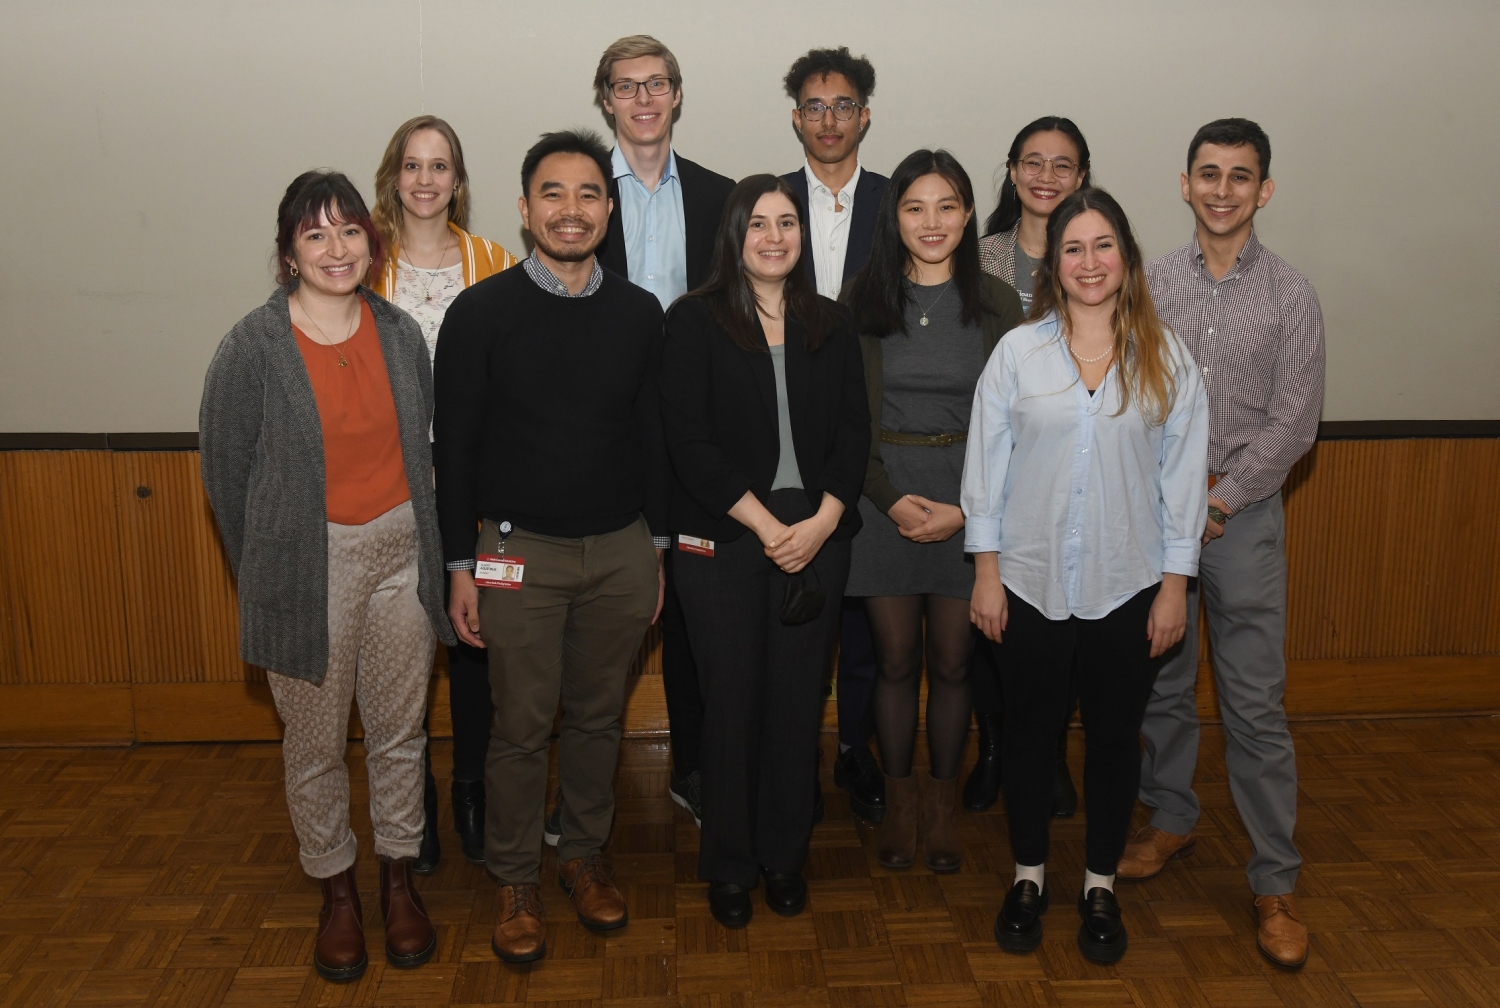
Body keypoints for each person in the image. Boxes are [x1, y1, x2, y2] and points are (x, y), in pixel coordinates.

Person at [200, 170, 453, 981]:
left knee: (398, 731)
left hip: (402, 555)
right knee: (313, 744)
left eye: (348, 230)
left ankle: (397, 880)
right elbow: (227, 475)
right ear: (288, 254)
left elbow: (424, 447)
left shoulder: (400, 333)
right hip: (310, 566)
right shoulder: (251, 348)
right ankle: (336, 890)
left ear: (370, 243)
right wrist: (270, 574)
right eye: (315, 234)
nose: (336, 248)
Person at [434, 130, 668, 964]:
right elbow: (452, 450)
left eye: (588, 194)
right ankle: (514, 879)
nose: (572, 210)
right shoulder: (481, 313)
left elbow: (655, 438)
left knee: (601, 718)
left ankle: (583, 857)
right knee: (522, 726)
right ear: (526, 207)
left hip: (619, 552)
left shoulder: (641, 314)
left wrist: (660, 550)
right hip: (514, 555)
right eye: (554, 194)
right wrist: (459, 567)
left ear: (608, 209)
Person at [963, 188, 1207, 964]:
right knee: (1030, 738)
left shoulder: (1167, 358)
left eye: (1104, 246)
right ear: (1054, 264)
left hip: (1127, 587)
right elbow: (986, 474)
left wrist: (1175, 587)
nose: (1089, 262)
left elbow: (1183, 484)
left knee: (1111, 742)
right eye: (1073, 248)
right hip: (1028, 583)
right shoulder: (1017, 355)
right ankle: (1028, 874)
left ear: (1127, 260)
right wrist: (987, 575)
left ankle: (1099, 883)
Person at [1122, 118, 1324, 969]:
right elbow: (1126, 394)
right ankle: (1170, 819)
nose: (1222, 189)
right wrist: (1170, 504)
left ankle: (1274, 883)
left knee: (1253, 706)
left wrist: (1220, 500)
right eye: (1209, 173)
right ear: (1185, 182)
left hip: (1240, 525)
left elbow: (1295, 424)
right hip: (1154, 522)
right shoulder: (1149, 284)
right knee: (1162, 687)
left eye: (1240, 177)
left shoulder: (1291, 294)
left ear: (1263, 191)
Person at [660, 174, 869, 928]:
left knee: (795, 704)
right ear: (733, 236)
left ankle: (785, 856)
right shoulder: (693, 321)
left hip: (817, 535)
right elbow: (688, 440)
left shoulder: (832, 323)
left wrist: (821, 522)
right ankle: (729, 863)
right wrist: (763, 523)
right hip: (723, 537)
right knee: (731, 705)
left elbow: (853, 434)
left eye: (787, 222)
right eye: (758, 224)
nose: (774, 236)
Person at [840, 150, 1023, 873]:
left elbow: (1017, 422)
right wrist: (886, 498)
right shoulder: (861, 299)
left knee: (953, 664)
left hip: (968, 497)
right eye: (915, 207)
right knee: (893, 661)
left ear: (970, 214)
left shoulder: (999, 305)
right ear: (896, 219)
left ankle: (942, 809)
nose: (932, 222)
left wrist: (968, 512)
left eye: (947, 206)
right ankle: (900, 802)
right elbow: (847, 419)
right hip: (881, 492)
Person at [583, 34, 735, 829]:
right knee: (604, 608)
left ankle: (698, 765)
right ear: (605, 100)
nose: (643, 99)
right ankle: (584, 788)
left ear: (677, 96)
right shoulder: (578, 195)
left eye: (657, 84)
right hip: (598, 430)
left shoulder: (721, 197)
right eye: (625, 86)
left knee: (692, 609)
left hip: (695, 432)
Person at [369, 114, 520, 872]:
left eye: (440, 167)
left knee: (472, 644)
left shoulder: (495, 261)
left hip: (479, 487)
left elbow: (515, 378)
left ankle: (471, 790)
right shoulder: (363, 266)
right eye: (413, 165)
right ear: (393, 176)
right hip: (390, 486)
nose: (425, 180)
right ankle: (414, 802)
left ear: (458, 181)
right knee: (401, 652)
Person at [966, 116, 1094, 816]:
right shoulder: (977, 257)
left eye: (1063, 165)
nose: (1047, 176)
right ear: (1013, 172)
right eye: (1033, 163)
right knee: (991, 625)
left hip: (1064, 474)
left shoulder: (1094, 258)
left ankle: (1046, 756)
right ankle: (994, 751)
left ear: (1081, 177)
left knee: (1065, 625)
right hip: (987, 467)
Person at [779, 46, 891, 825]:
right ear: (795, 117)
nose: (829, 120)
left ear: (865, 116)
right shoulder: (762, 201)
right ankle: (794, 759)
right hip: (780, 431)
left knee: (862, 611)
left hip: (869, 429)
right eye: (814, 106)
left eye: (843, 105)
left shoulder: (898, 204)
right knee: (794, 606)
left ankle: (855, 749)